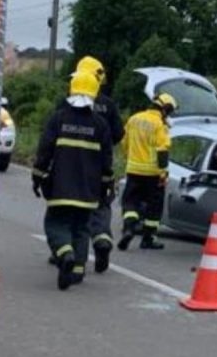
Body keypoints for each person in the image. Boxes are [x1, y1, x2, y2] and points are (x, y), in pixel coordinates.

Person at [32, 70, 113, 291]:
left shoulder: (58, 119)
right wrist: (106, 187)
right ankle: (77, 270)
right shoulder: (101, 125)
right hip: (88, 192)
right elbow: (107, 162)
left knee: (56, 224)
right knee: (81, 228)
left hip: (60, 189)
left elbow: (44, 152)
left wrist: (37, 177)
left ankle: (64, 253)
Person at [49, 56, 124, 273]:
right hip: (100, 166)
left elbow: (51, 134)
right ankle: (101, 239)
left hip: (67, 169)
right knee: (100, 208)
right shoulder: (108, 105)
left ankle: (64, 252)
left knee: (66, 216)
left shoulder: (66, 105)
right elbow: (118, 134)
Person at [117, 93, 178, 251]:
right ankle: (148, 238)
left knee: (130, 202)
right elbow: (163, 149)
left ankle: (129, 228)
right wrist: (163, 172)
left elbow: (124, 142)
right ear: (164, 109)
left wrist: (129, 159)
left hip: (133, 169)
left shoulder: (134, 119)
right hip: (153, 173)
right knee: (154, 206)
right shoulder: (159, 125)